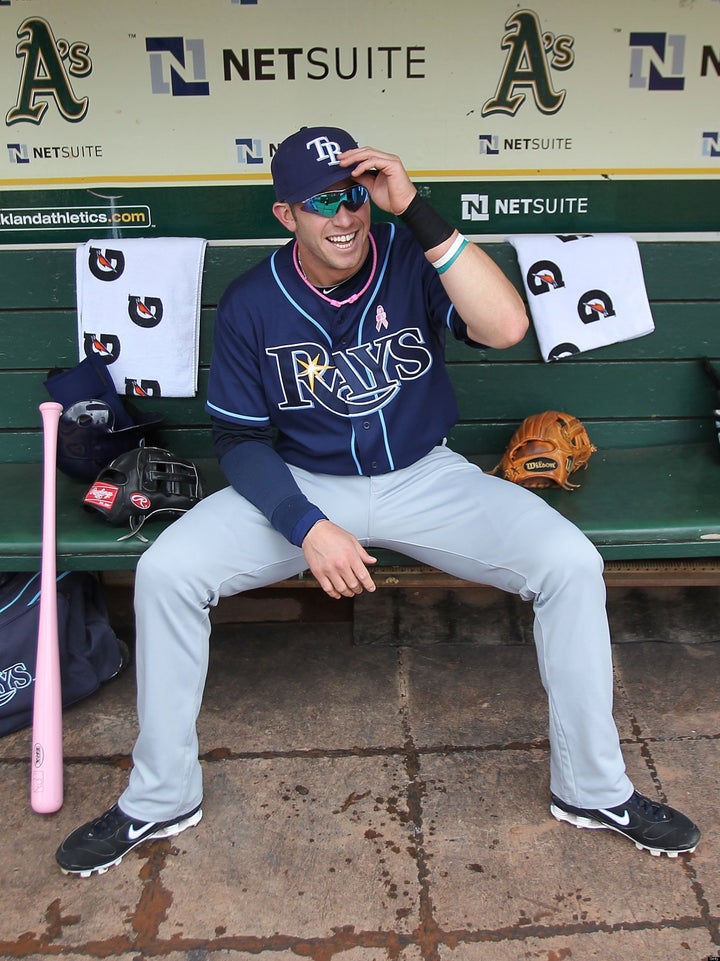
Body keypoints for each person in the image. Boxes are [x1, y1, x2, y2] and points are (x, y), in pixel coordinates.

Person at [56, 125, 700, 876]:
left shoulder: (410, 257)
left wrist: (416, 210)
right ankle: (160, 796)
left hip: (425, 476)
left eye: (356, 192)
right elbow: (239, 442)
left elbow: (507, 325)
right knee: (169, 574)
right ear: (286, 215)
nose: (346, 214)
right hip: (302, 486)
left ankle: (593, 788)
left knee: (569, 562)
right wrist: (306, 526)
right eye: (323, 199)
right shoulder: (252, 303)